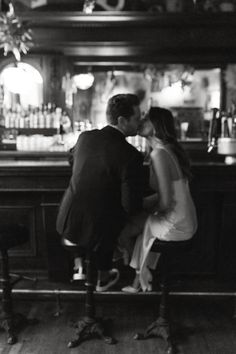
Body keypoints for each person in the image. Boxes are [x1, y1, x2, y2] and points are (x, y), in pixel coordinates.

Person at [56, 93, 145, 292]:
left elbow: (72, 160)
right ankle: (102, 276)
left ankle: (80, 265)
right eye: (137, 118)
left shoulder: (85, 137)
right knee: (119, 218)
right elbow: (131, 205)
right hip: (97, 232)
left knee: (101, 210)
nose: (140, 122)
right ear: (122, 120)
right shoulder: (131, 155)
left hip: (66, 221)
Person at [122, 107, 198, 293]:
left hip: (176, 224)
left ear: (156, 126)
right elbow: (170, 194)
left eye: (146, 119)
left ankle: (139, 277)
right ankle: (140, 277)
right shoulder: (165, 150)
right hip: (186, 218)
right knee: (136, 224)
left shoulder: (159, 154)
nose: (140, 121)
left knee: (125, 230)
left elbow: (164, 203)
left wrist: (145, 209)